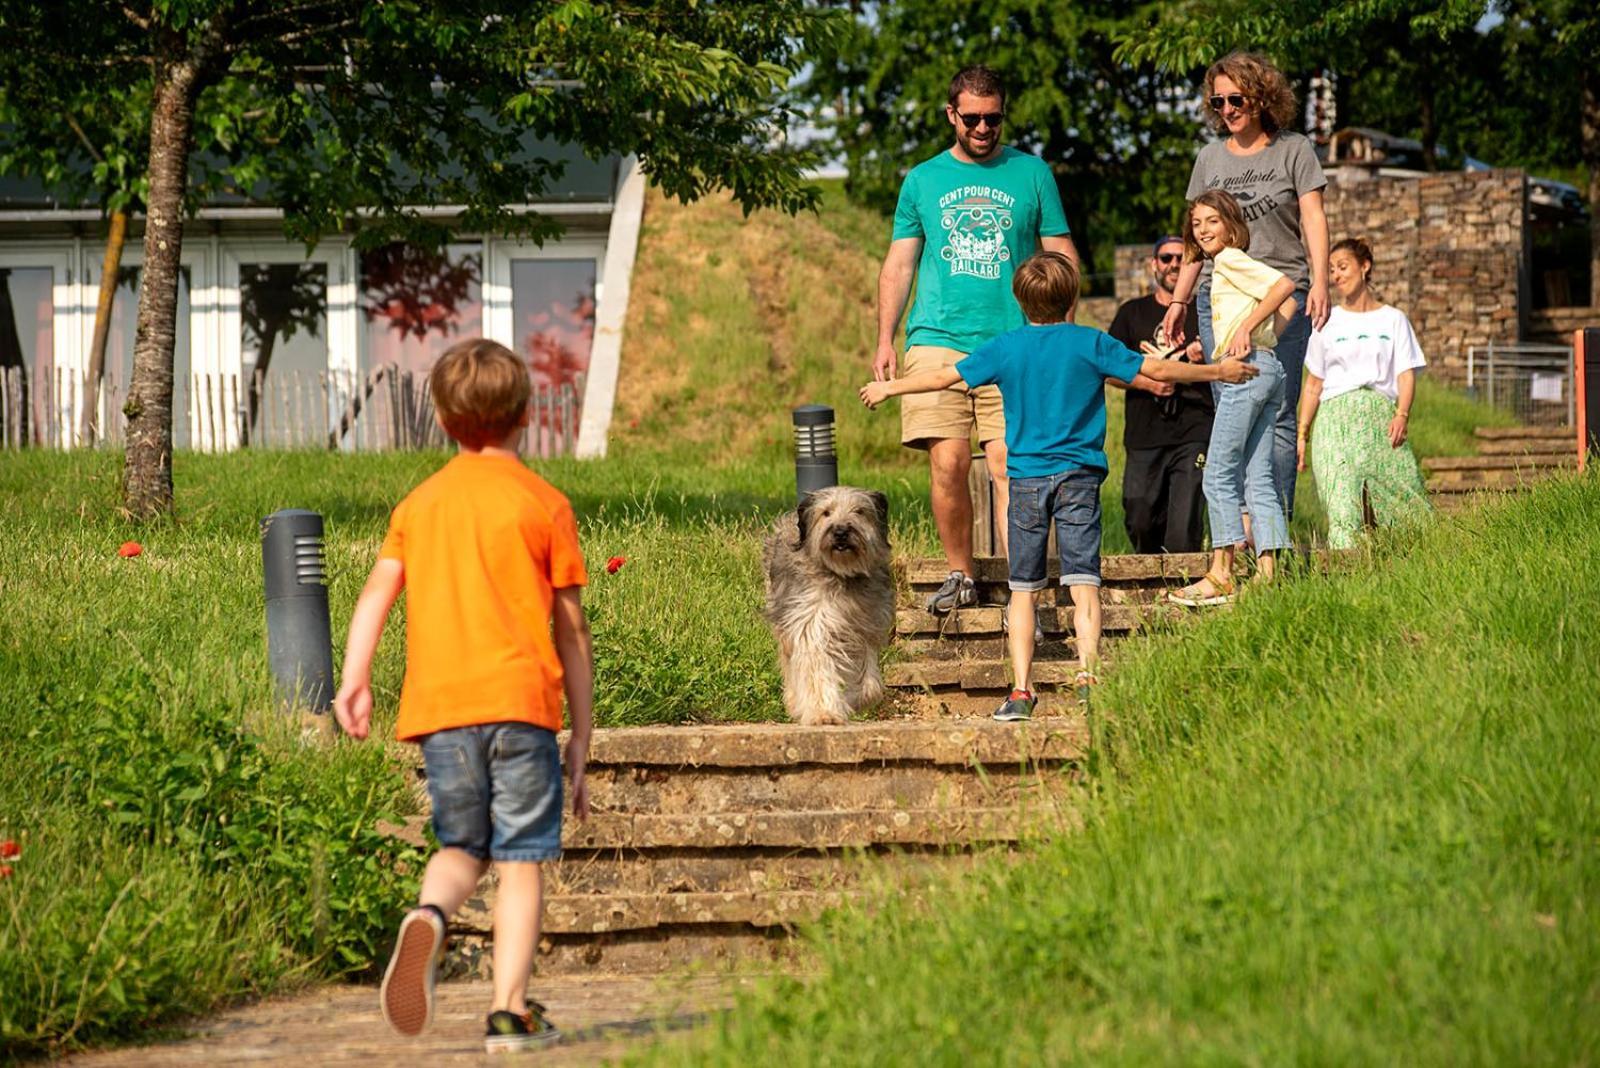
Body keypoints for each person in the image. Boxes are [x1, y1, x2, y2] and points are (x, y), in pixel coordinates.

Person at [860, 252, 1259, 720]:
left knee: (1024, 589)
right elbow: (1159, 371)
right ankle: (1088, 676)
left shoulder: (1005, 346)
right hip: (1078, 477)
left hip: (1027, 479)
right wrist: (1217, 372)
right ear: (1071, 297)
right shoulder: (1089, 342)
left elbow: (946, 376)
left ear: (1019, 300)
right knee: (1084, 584)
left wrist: (891, 389)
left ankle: (1021, 691)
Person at [332, 338, 593, 1054]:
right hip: (522, 710)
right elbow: (571, 633)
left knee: (460, 848)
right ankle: (509, 1011)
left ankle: (431, 915)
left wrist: (354, 680)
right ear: (526, 414)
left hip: (442, 714)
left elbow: (376, 593)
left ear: (444, 421)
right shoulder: (544, 503)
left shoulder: (420, 504)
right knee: (520, 862)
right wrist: (581, 736)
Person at [874, 64, 1078, 615]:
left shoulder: (1031, 173)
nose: (983, 128)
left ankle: (1024, 588)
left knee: (1010, 465)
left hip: (1013, 340)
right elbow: (899, 265)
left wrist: (1059, 329)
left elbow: (1059, 252)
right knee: (948, 461)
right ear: (951, 115)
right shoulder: (922, 180)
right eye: (972, 118)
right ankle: (960, 573)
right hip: (936, 336)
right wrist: (885, 339)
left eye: (993, 118)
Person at [1160, 51, 1329, 523]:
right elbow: (1196, 234)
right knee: (1232, 409)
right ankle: (1241, 532)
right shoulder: (1209, 158)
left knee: (1276, 413)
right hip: (1221, 305)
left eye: (1236, 99)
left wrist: (1319, 282)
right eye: (1218, 102)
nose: (1227, 109)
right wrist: (1178, 301)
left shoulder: (1294, 149)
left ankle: (1273, 532)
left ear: (1261, 96)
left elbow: (1313, 216)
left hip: (1283, 294)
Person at [1169, 191, 1298, 607]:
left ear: (1231, 225)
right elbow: (1291, 306)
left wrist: (1247, 327)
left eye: (1212, 221)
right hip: (1267, 367)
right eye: (1197, 223)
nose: (1203, 230)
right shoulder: (1223, 265)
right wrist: (1264, 337)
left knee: (1218, 472)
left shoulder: (1229, 260)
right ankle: (1269, 572)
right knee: (1258, 477)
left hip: (1246, 372)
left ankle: (1221, 574)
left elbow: (1285, 285)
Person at [1298, 238, 1431, 548]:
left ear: (1365, 266)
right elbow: (1313, 384)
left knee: (1405, 503)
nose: (1336, 276)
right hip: (1333, 421)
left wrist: (1402, 413)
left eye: (1343, 267)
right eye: (1331, 270)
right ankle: (1348, 583)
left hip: (1379, 417)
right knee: (1342, 507)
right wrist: (1303, 434)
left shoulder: (1393, 319)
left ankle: (1409, 572)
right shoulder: (1325, 321)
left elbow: (1405, 372)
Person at [1106, 235, 1214, 553]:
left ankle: (1183, 586)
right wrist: (1148, 382)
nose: (1174, 264)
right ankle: (1151, 576)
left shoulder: (1205, 314)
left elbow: (1230, 362)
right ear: (1154, 265)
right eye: (1166, 258)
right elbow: (1109, 369)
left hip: (1195, 428)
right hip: (1145, 434)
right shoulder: (1131, 313)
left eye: (1182, 258)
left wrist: (1204, 355)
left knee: (1184, 528)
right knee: (1139, 517)